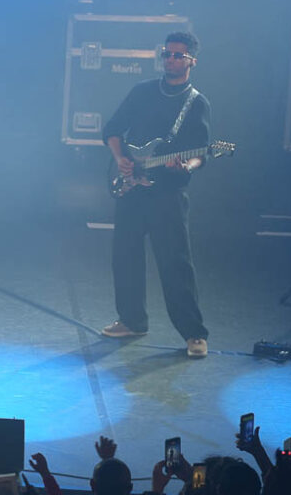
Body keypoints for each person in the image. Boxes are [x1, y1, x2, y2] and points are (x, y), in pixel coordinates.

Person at [101, 31, 212, 358]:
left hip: (168, 195)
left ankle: (194, 334)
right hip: (132, 188)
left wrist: (186, 166)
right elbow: (112, 130)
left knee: (175, 263)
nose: (171, 60)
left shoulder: (196, 103)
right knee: (125, 257)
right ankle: (132, 320)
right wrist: (121, 159)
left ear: (192, 61)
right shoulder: (143, 91)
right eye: (167, 54)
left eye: (178, 55)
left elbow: (201, 153)